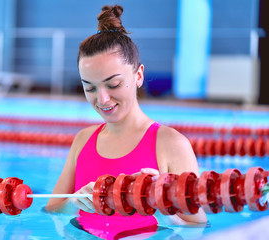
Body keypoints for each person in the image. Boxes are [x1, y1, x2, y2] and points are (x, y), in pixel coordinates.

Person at [46, 4, 207, 238]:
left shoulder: (171, 144)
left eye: (114, 84)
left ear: (138, 75)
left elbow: (198, 228)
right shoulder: (83, 140)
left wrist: (162, 207)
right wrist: (72, 203)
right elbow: (50, 210)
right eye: (89, 87)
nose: (102, 99)